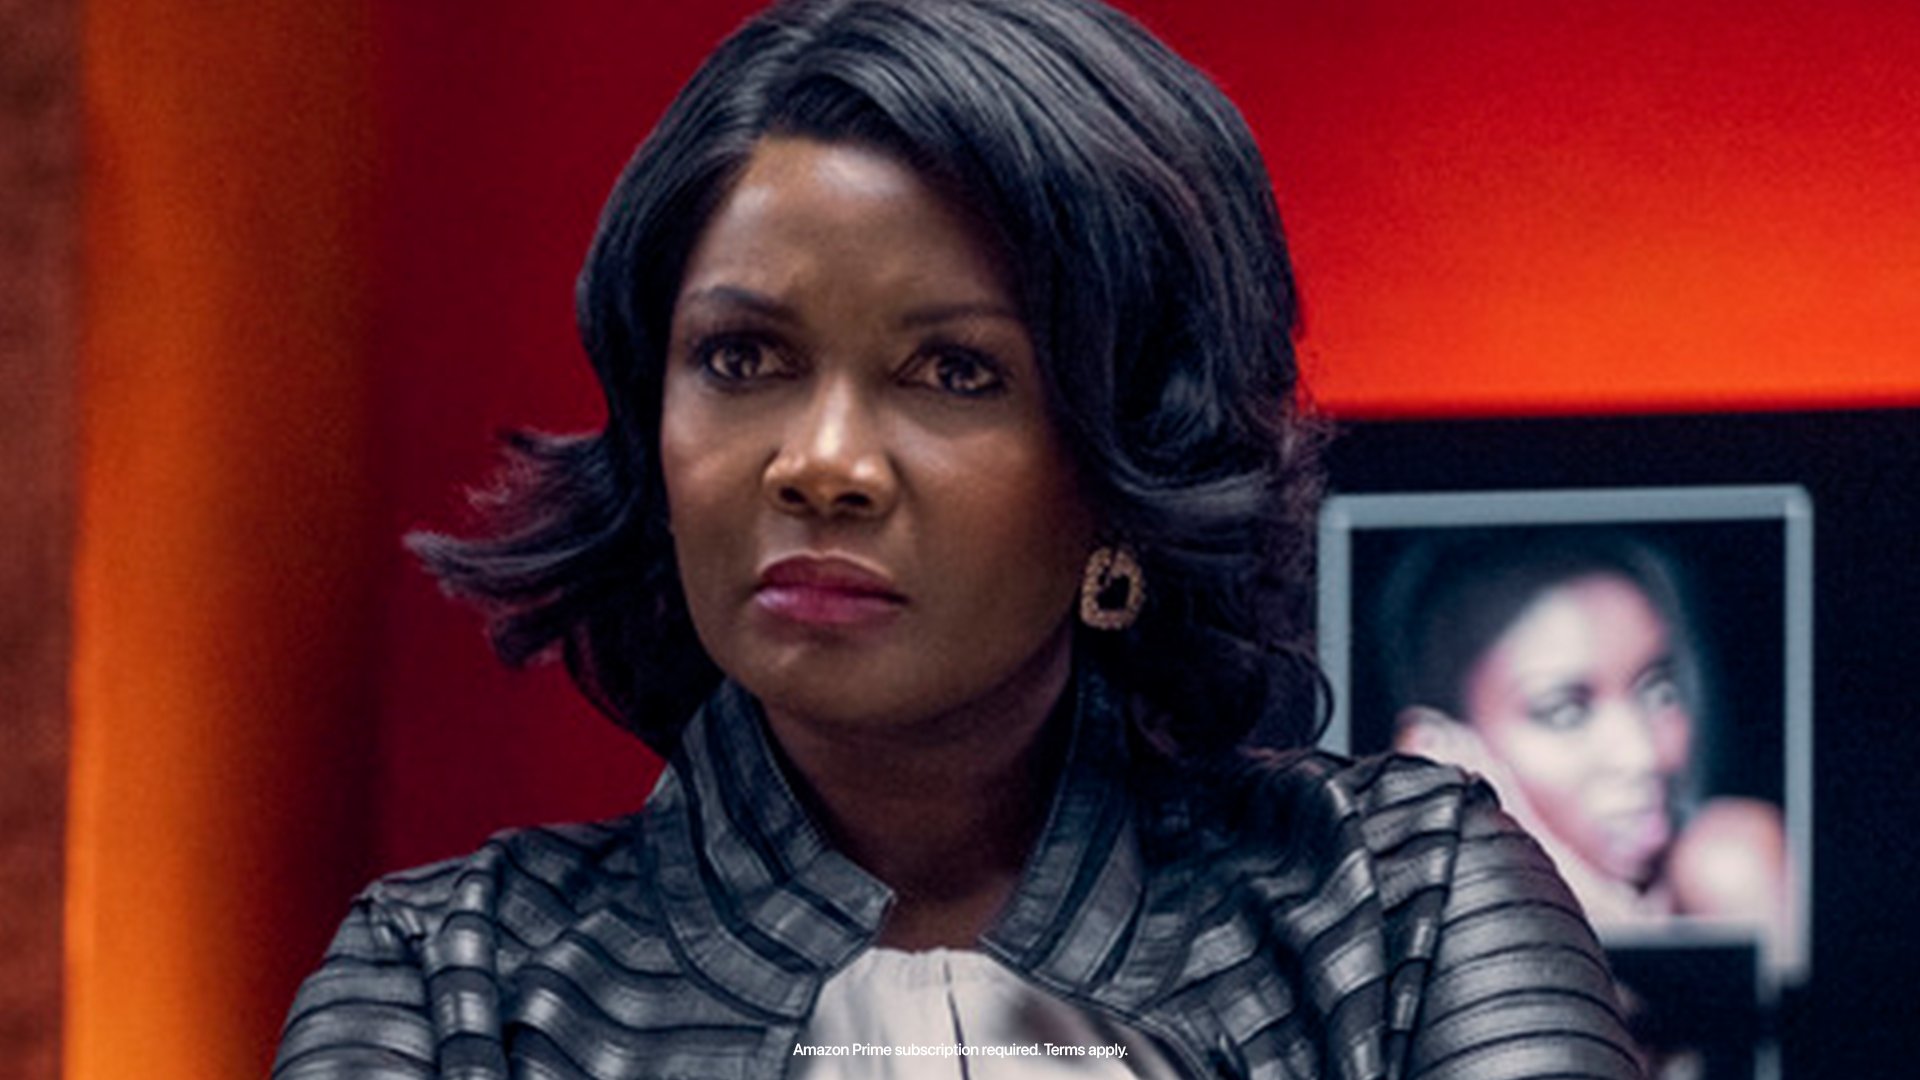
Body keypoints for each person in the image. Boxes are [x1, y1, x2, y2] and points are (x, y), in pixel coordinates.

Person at [275, 1, 1641, 1077]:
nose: (822, 464)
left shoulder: (1398, 913)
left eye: (955, 372)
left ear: (1127, 457)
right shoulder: (451, 984)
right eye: (743, 357)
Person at [1382, 529, 1789, 933]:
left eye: (1660, 692)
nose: (1642, 755)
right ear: (1438, 747)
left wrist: (1546, 873)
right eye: (1564, 713)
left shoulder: (1729, 859)